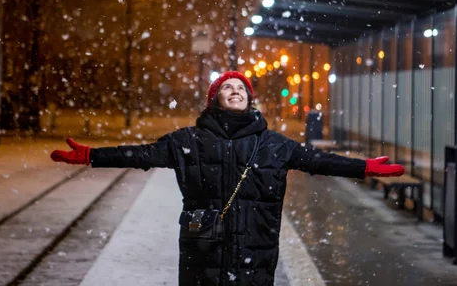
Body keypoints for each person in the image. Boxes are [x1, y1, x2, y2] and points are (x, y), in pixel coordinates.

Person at [50, 71, 404, 285]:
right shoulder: (188, 141)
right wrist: (92, 156)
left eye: (241, 89)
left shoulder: (273, 145)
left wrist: (363, 167)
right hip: (203, 248)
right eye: (226, 88)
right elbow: (142, 155)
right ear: (215, 100)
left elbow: (318, 161)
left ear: (249, 100)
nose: (235, 91)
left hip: (256, 249)